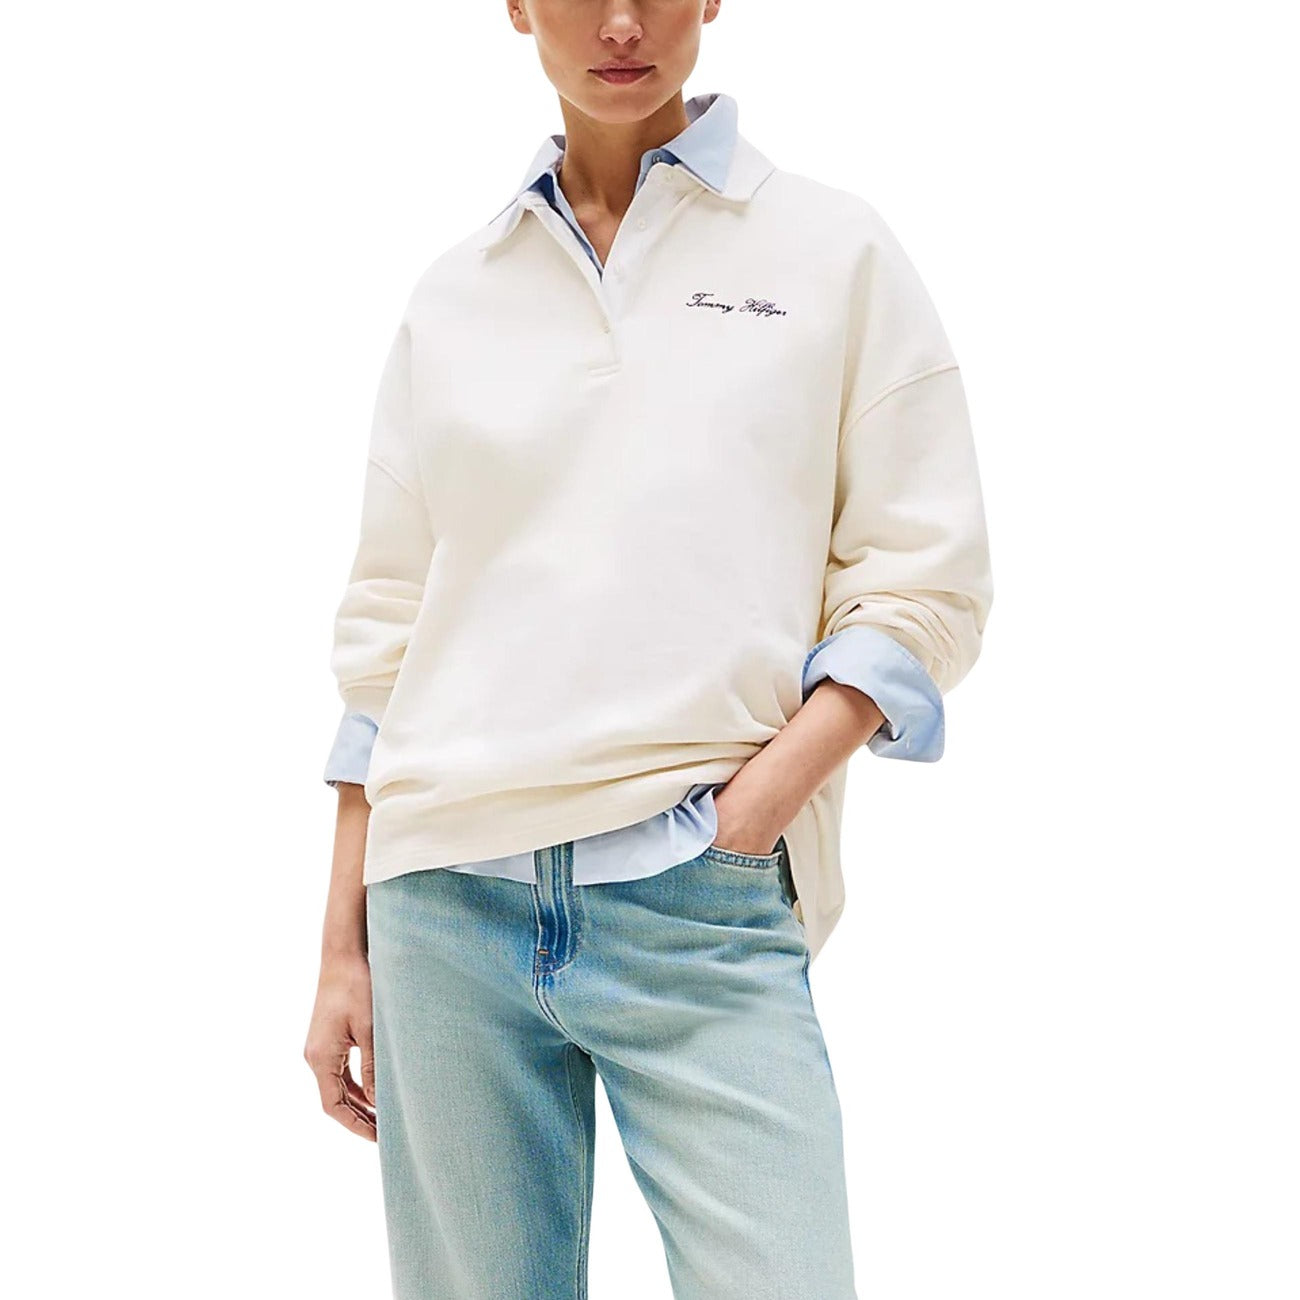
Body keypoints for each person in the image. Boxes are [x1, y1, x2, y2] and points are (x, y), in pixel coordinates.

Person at [303, 3, 993, 1297]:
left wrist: (757, 808)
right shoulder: (457, 294)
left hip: (700, 898)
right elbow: (386, 632)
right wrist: (343, 943)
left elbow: (923, 576)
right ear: (515, 5)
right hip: (444, 906)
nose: (622, 22)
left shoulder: (832, 251)